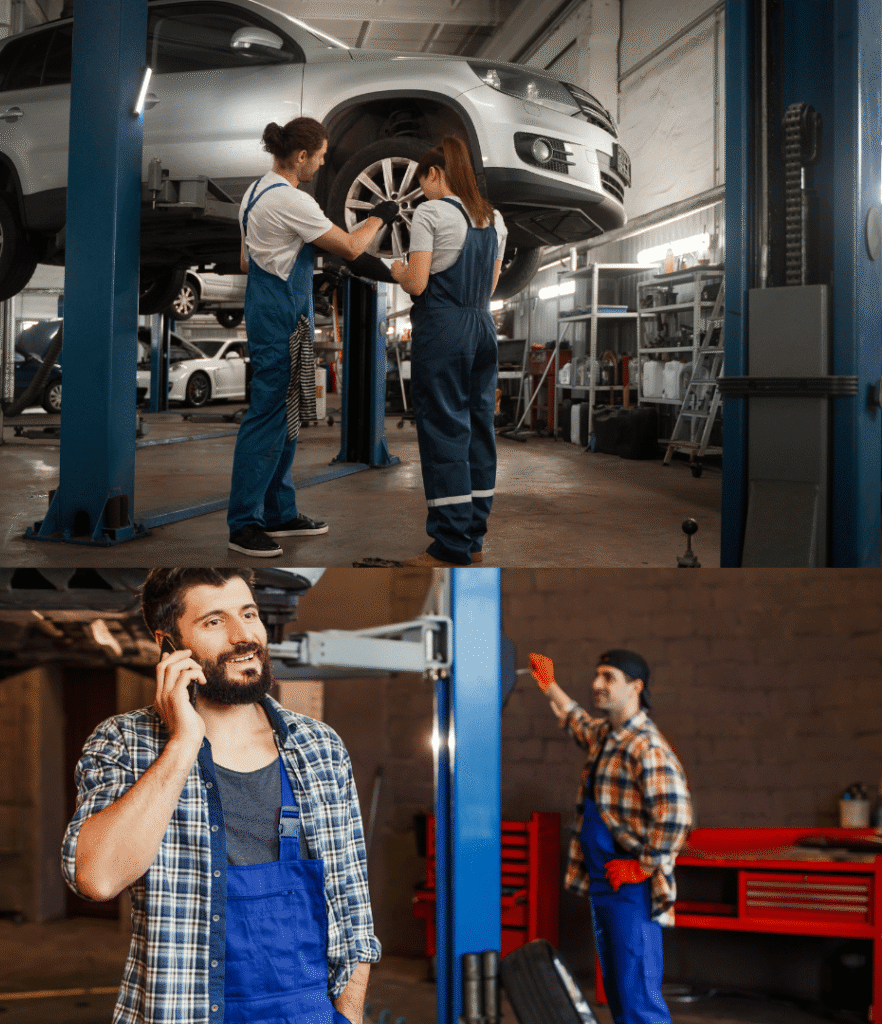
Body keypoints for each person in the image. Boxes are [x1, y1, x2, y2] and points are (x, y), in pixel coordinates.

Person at [62, 568, 381, 1024]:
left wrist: (348, 1017)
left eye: (248, 614)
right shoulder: (125, 743)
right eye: (214, 621)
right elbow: (97, 879)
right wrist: (182, 744)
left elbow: (353, 910)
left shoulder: (319, 747)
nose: (243, 636)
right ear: (169, 644)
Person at [228, 118, 400, 558]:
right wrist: (380, 216)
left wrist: (299, 257)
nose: (322, 164)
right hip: (282, 317)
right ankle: (244, 524)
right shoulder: (291, 200)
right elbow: (353, 247)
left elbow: (248, 262)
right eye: (320, 156)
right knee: (268, 416)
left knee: (285, 416)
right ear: (301, 156)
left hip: (272, 307)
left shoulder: (254, 192)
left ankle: (279, 512)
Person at [530, 650, 692, 1024]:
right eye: (597, 675)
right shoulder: (607, 736)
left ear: (636, 687)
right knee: (620, 993)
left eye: (608, 677)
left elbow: (676, 816)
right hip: (605, 884)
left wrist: (643, 867)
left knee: (638, 999)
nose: (596, 684)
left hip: (631, 890)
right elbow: (578, 722)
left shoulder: (645, 746)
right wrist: (548, 684)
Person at [390, 135, 508, 567]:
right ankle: (473, 538)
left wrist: (399, 270)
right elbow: (490, 286)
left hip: (444, 328)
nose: (421, 192)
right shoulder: (494, 219)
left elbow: (418, 283)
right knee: (479, 430)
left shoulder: (431, 212)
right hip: (482, 327)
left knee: (444, 432)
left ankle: (449, 546)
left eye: (421, 181)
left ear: (434, 173)